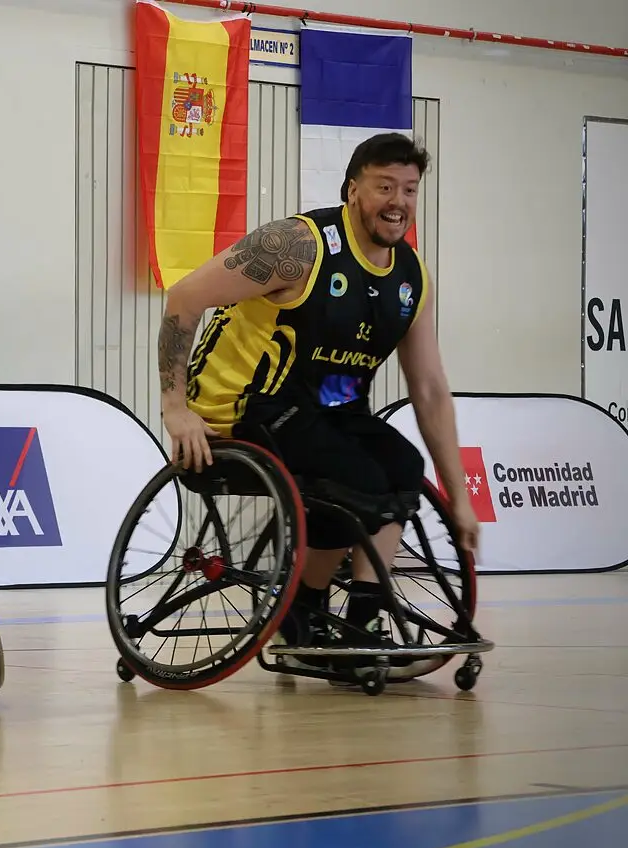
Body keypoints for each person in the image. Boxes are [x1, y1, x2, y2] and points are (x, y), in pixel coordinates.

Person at [155, 132, 479, 668]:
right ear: (352, 190)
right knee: (358, 478)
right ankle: (307, 608)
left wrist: (460, 498)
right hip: (248, 403)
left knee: (402, 467)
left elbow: (428, 388)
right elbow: (184, 298)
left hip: (330, 409)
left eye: (409, 189)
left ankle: (361, 616)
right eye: (384, 186)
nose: (398, 201)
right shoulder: (296, 247)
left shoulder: (411, 277)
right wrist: (175, 409)